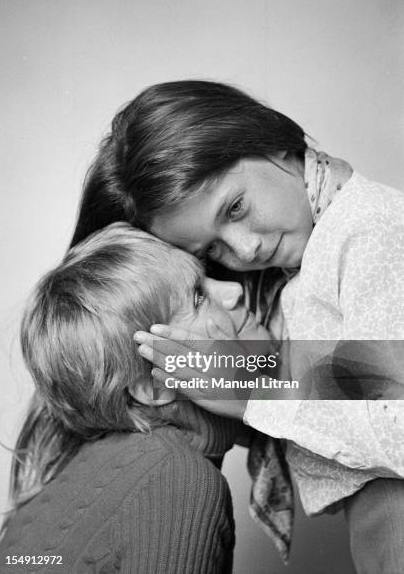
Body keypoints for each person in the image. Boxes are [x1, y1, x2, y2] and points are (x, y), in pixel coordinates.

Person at [67, 80, 404, 573]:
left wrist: (250, 395)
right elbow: (356, 384)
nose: (244, 250)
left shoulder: (370, 232)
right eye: (211, 250)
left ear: (265, 139)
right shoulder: (308, 264)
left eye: (235, 208)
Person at [0, 222, 275, 573]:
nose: (234, 290)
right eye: (198, 297)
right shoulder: (176, 479)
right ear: (154, 388)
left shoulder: (92, 469)